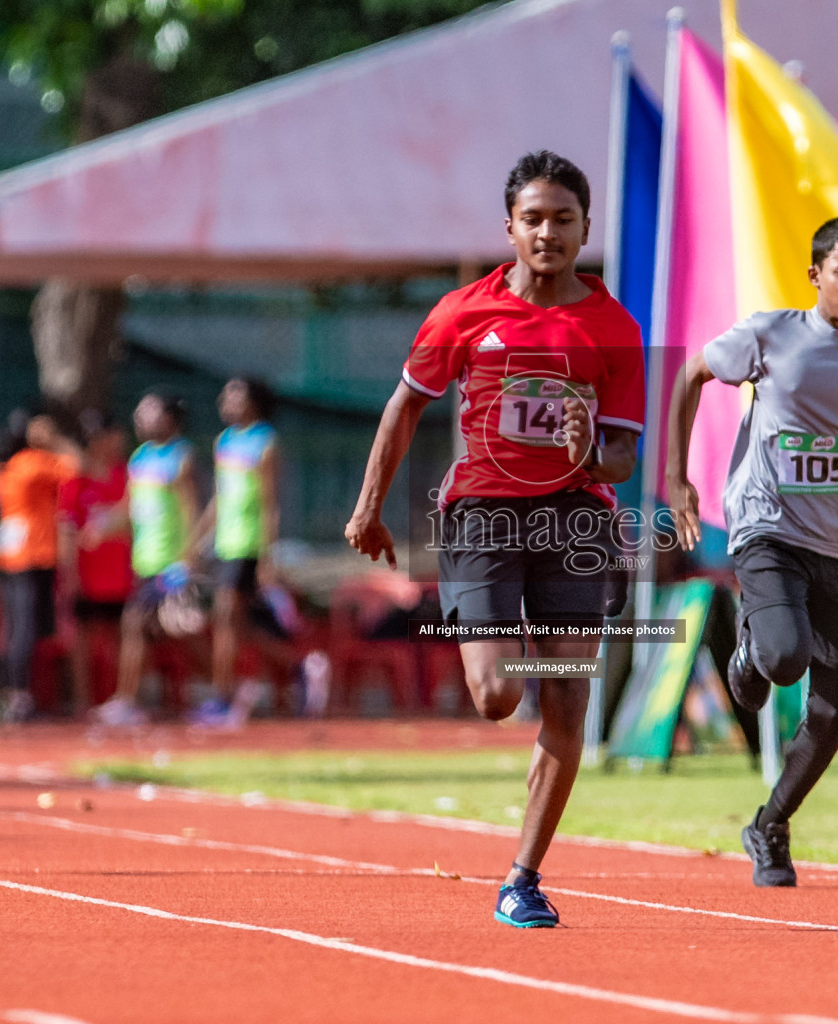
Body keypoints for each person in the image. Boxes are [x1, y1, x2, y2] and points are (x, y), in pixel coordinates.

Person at [344, 150, 644, 928]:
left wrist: (587, 449)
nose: (548, 232)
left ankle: (524, 877)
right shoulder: (461, 313)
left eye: (564, 219)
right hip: (482, 515)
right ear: (509, 227)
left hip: (576, 517)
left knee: (569, 701)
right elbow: (405, 405)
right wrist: (369, 506)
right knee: (497, 694)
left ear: (584, 229)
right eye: (534, 219)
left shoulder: (612, 327)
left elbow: (623, 454)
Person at [665, 217, 838, 888]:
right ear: (817, 275)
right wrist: (676, 477)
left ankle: (771, 824)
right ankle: (752, 650)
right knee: (783, 659)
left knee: (831, 715)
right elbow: (691, 375)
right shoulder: (772, 333)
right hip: (768, 527)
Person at [89, 391, 199, 727]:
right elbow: (129, 507)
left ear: (169, 417)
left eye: (149, 410)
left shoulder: (182, 457)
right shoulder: (139, 458)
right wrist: (103, 524)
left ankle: (128, 700)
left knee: (163, 628)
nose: (140, 417)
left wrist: (187, 560)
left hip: (171, 564)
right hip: (145, 562)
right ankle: (130, 700)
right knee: (156, 630)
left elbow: (191, 511)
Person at [187, 378, 279, 729]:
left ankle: (222, 698)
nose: (225, 399)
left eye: (235, 393)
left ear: (253, 401)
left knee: (226, 617)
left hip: (249, 542)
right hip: (224, 545)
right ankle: (301, 667)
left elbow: (270, 503)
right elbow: (218, 498)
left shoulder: (265, 441)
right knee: (235, 623)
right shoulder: (223, 442)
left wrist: (267, 556)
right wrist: (196, 542)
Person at [0, 411, 80, 722]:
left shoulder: (4, 469)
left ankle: (10, 693)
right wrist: (53, 440)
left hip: (12, 555)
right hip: (35, 553)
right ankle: (19, 696)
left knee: (14, 628)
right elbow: (75, 466)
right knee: (26, 628)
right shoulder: (33, 463)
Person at [57, 410, 133, 713]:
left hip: (119, 573)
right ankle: (82, 701)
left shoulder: (125, 475)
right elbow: (66, 528)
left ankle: (116, 701)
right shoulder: (75, 479)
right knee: (82, 641)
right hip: (87, 573)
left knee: (119, 638)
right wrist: (70, 572)